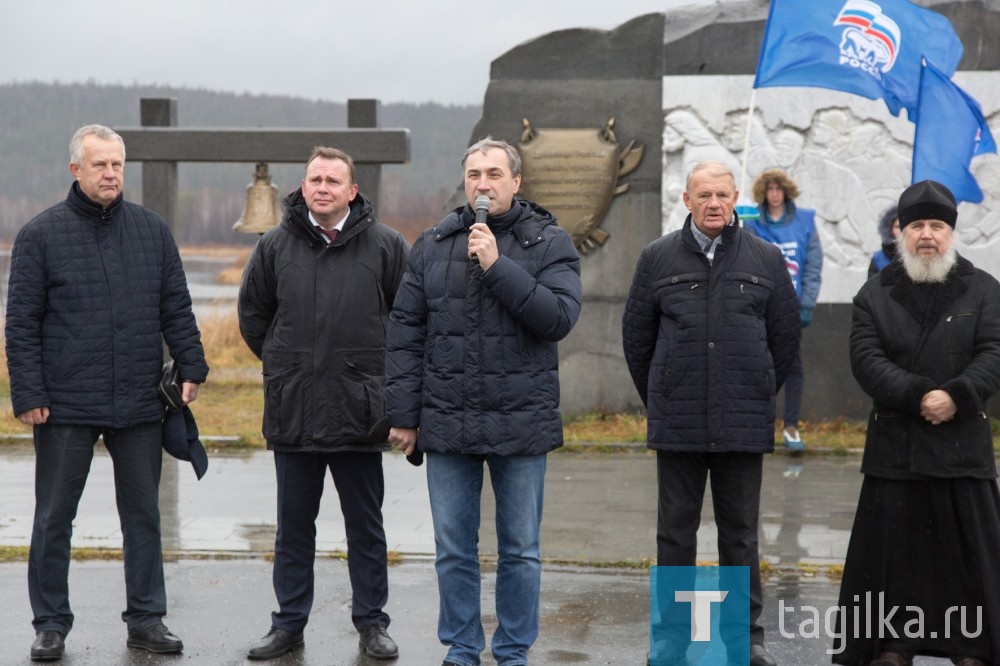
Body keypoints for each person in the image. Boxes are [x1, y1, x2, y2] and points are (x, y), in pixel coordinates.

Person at [4, 124, 209, 662]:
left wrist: (192, 365)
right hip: (65, 403)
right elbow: (21, 322)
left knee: (143, 516)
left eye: (117, 164)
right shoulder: (40, 234)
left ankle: (146, 620)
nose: (111, 174)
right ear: (76, 170)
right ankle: (50, 624)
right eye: (100, 165)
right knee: (53, 517)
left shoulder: (152, 230)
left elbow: (176, 307)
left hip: (140, 400)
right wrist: (28, 392)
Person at [385, 137, 582, 666]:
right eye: (474, 174)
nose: (483, 184)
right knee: (453, 550)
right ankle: (464, 647)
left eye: (495, 174)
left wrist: (498, 266)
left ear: (516, 182)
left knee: (520, 549)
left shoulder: (549, 241)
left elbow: (558, 318)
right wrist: (404, 416)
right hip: (448, 421)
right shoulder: (432, 244)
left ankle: (513, 648)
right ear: (464, 182)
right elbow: (405, 332)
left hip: (521, 422)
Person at [622, 160, 800, 666]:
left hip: (742, 422)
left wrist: (760, 387)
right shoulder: (657, 258)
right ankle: (672, 639)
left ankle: (745, 638)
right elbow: (637, 339)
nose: (714, 203)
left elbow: (784, 338)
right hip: (677, 422)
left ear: (736, 196)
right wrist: (664, 391)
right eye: (704, 195)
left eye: (722, 194)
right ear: (687, 200)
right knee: (675, 533)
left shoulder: (764, 258)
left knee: (740, 533)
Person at [238, 146, 408, 661]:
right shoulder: (273, 246)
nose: (323, 187)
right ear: (303, 186)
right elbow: (254, 318)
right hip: (295, 412)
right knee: (293, 529)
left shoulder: (386, 246)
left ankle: (372, 623)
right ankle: (288, 624)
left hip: (360, 413)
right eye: (315, 179)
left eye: (334, 180)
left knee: (366, 528)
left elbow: (408, 322)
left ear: (352, 191)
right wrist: (287, 366)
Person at [834, 180, 1000, 666]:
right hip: (896, 455)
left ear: (951, 233)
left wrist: (958, 395)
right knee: (893, 568)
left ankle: (972, 647)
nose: (927, 235)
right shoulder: (874, 294)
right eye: (918, 226)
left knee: (970, 568)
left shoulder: (985, 289)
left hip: (961, 452)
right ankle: (892, 645)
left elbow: (995, 351)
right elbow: (865, 359)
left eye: (938, 226)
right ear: (900, 232)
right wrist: (918, 395)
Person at [746, 168, 822, 452]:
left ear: (786, 191)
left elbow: (813, 266)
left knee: (792, 366)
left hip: (792, 308)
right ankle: (757, 424)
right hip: (760, 306)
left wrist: (807, 304)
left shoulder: (804, 222)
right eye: (770, 189)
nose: (774, 194)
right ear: (764, 192)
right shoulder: (751, 221)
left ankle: (791, 426)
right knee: (756, 366)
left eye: (779, 188)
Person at [867, 205, 899, 277]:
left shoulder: (917, 254)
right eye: (898, 227)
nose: (901, 231)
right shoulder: (878, 257)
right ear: (890, 229)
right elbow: (871, 286)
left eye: (904, 227)